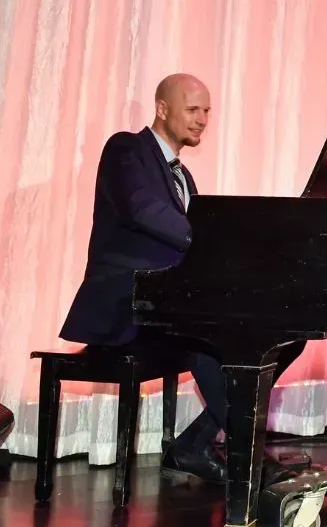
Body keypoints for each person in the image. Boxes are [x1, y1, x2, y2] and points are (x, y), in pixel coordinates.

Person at [58, 73, 302, 486]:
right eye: (193, 109)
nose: (203, 118)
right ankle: (253, 466)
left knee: (286, 339)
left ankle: (194, 445)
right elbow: (141, 210)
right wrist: (211, 242)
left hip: (167, 302)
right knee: (207, 342)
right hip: (124, 302)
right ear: (162, 108)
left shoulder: (184, 177)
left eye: (207, 110)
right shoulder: (126, 148)